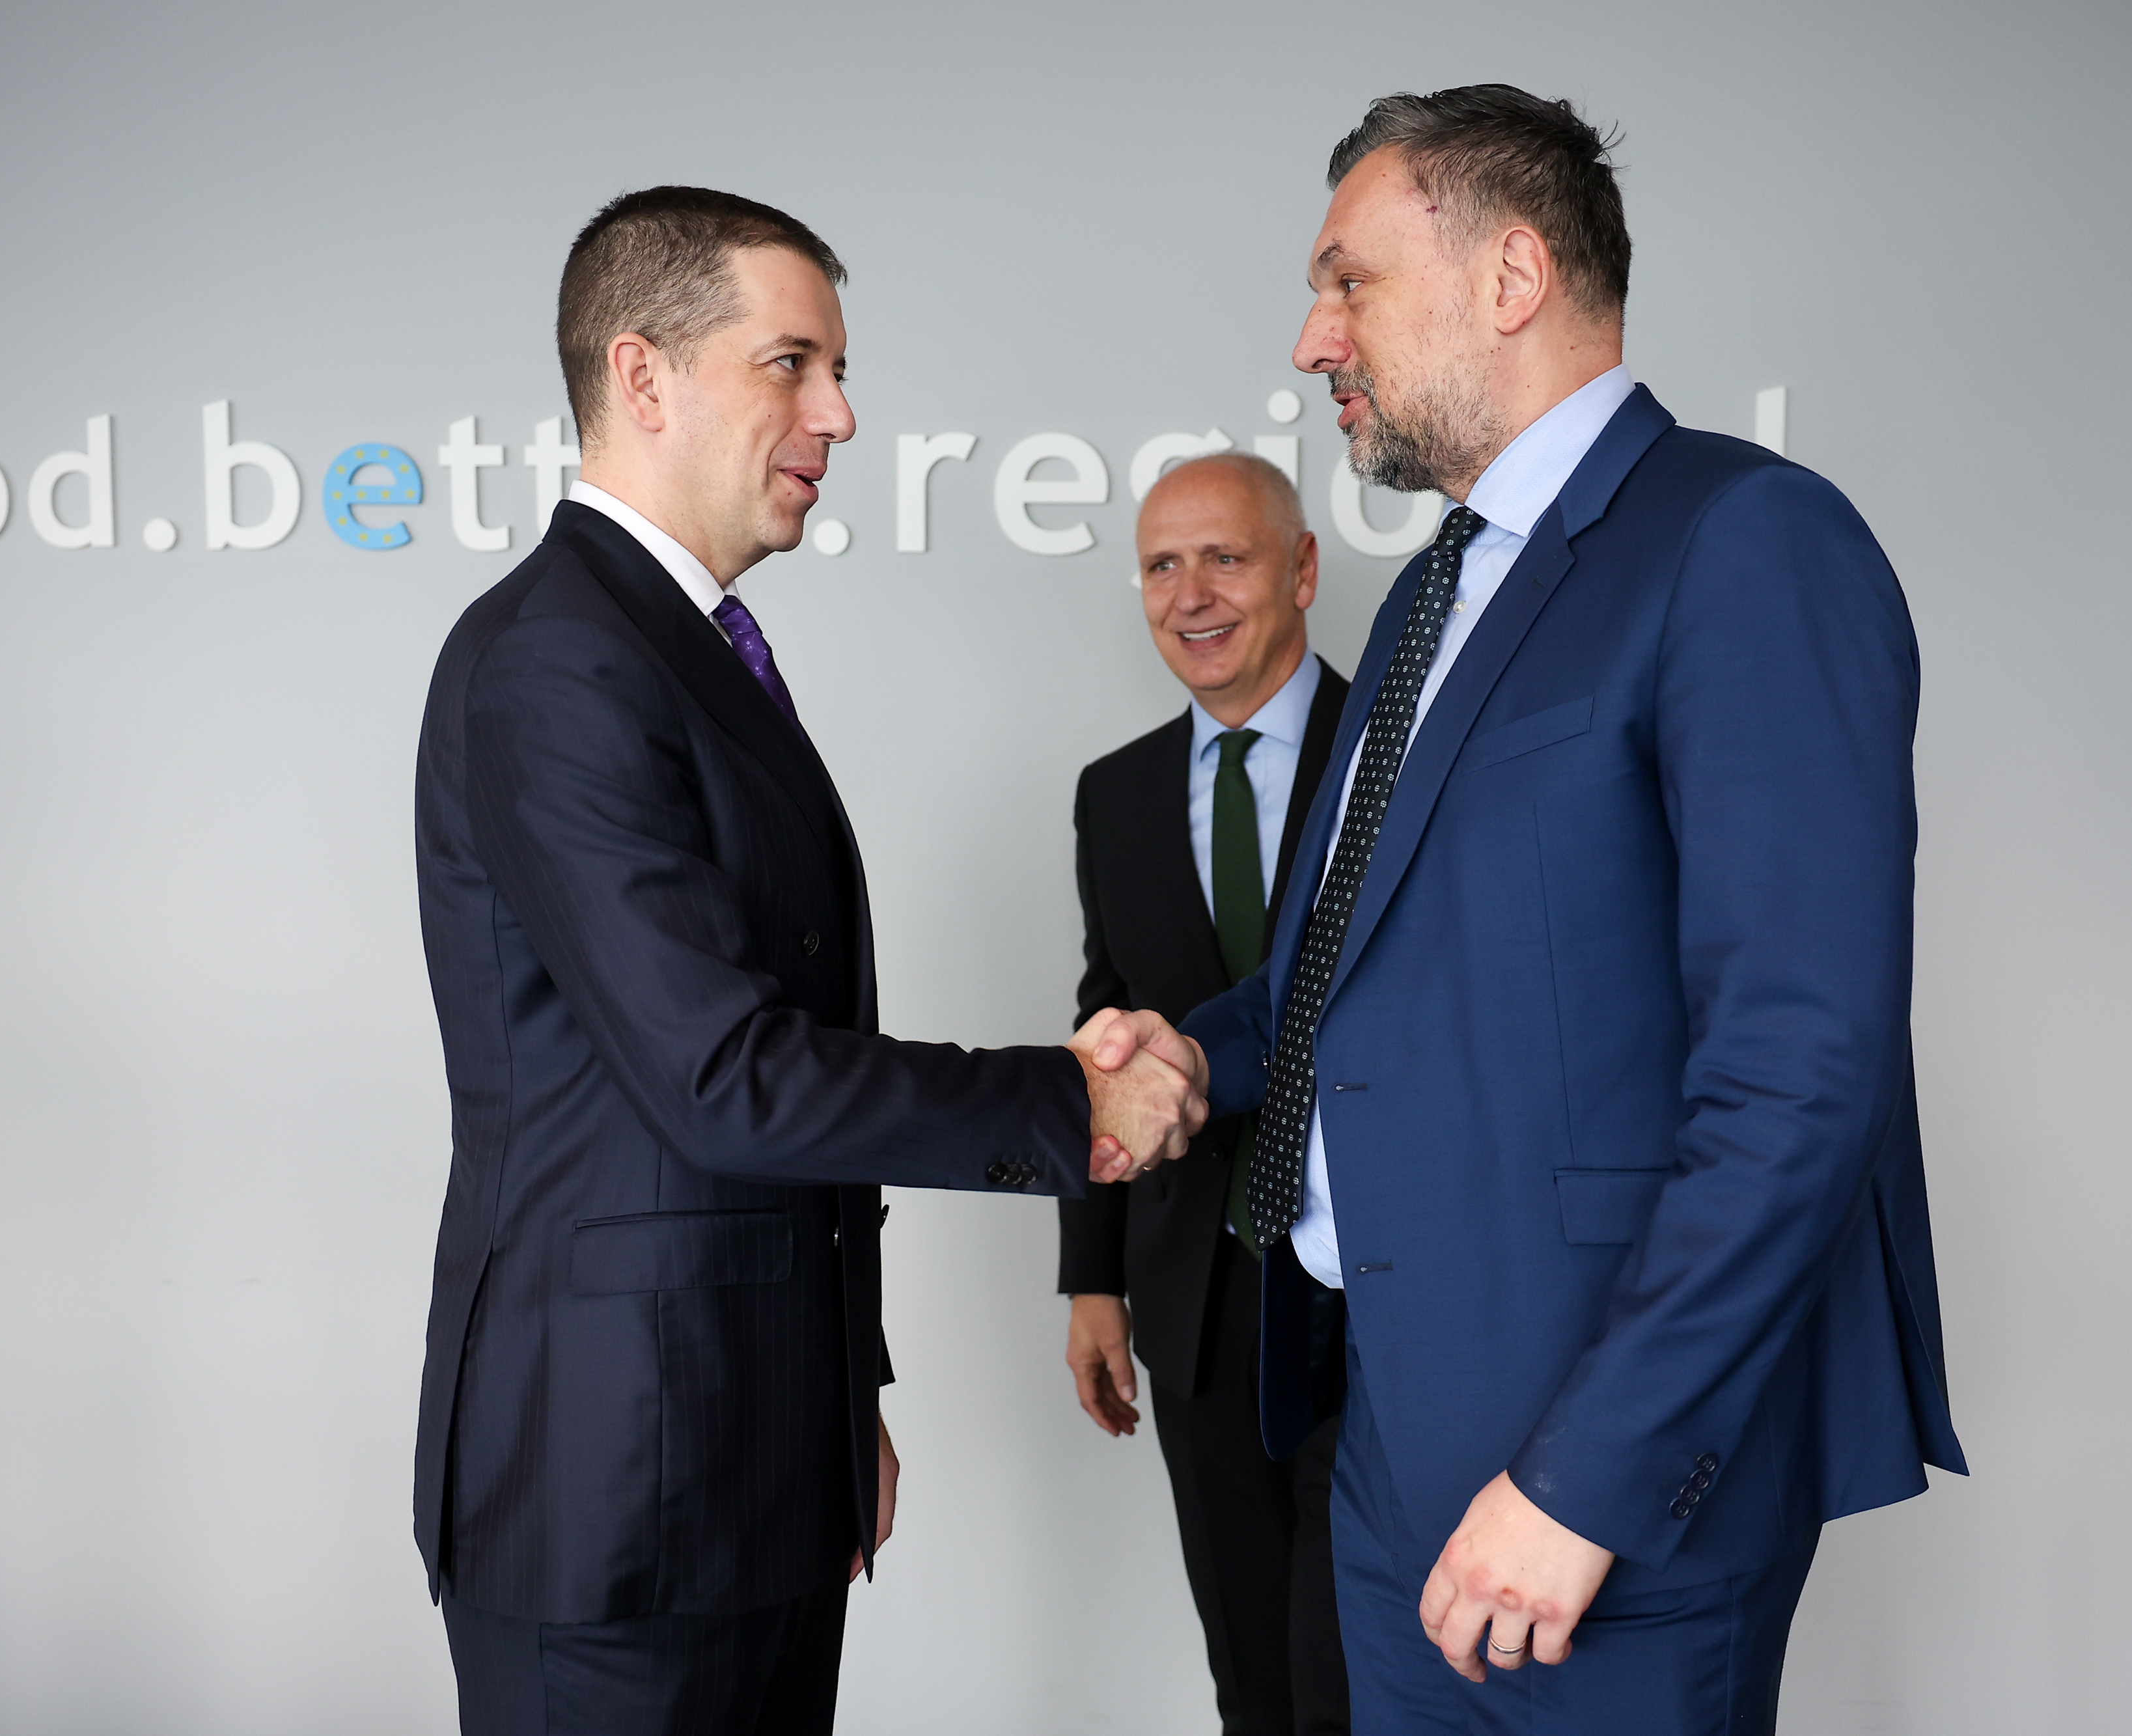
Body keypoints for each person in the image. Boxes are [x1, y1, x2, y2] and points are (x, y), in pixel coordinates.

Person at [1096, 87, 1965, 1733]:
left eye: (1346, 282)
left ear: (1509, 277)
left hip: (1593, 1488)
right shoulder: (1428, 594)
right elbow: (1337, 965)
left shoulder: (1747, 538)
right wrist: (1199, 1057)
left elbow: (1800, 1070)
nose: (1310, 337)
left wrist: (1584, 1477)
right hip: (1382, 1454)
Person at [409, 186, 1206, 1736]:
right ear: (642, 375)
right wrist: (1070, 1103)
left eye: (836, 371)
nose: (838, 414)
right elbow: (724, 1073)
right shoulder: (559, 660)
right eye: (793, 364)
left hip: (742, 1453)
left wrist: (839, 1401)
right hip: (617, 1494)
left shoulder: (669, 645)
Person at [1061, 452, 1353, 1736]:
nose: (1191, 595)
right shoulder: (1115, 793)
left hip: (1371, 1300)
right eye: (1161, 565)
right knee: (1253, 1681)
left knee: (1362, 1678)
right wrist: (1091, 1277)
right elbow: (1103, 1025)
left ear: (1301, 569)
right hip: (1196, 1296)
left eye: (1224, 558)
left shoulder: (1399, 755)